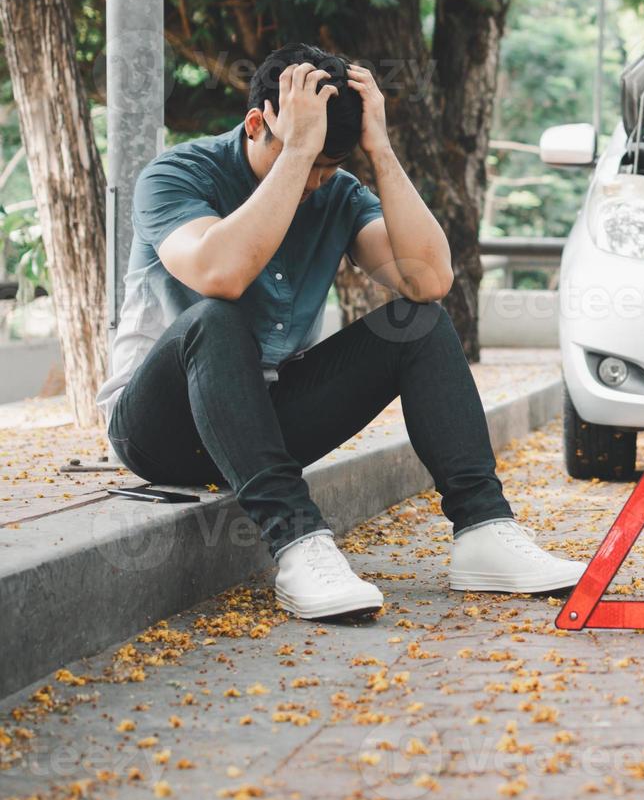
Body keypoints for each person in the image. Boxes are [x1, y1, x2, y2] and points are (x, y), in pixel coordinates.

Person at [96, 43, 585, 621]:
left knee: (417, 322)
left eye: (331, 165)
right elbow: (218, 273)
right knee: (217, 317)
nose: (316, 181)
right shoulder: (178, 174)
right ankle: (301, 546)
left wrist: (380, 152)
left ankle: (482, 528)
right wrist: (298, 152)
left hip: (266, 424)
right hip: (159, 428)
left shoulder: (337, 192)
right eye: (307, 159)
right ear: (257, 124)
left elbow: (428, 279)